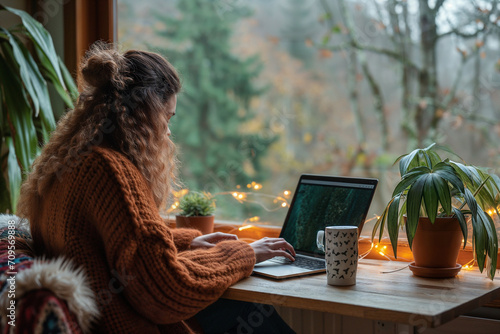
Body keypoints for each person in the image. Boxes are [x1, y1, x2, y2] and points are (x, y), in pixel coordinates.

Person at [16, 42, 296, 333]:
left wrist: (187, 242)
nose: (168, 130)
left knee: (232, 307)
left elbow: (112, 246)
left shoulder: (69, 163)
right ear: (146, 111)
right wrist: (244, 254)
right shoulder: (110, 170)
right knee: (247, 311)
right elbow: (165, 291)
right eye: (167, 116)